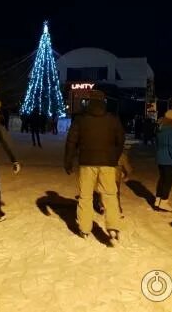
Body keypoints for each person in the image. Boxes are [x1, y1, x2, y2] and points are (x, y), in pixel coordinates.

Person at [64, 90, 125, 244]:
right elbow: (121, 140)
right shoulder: (113, 119)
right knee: (110, 195)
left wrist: (68, 160)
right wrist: (114, 157)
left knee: (85, 196)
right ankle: (113, 227)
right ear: (103, 101)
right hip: (108, 163)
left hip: (86, 162)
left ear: (89, 101)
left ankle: (85, 228)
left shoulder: (80, 119)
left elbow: (71, 141)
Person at [154, 109, 172, 212]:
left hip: (160, 158)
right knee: (168, 181)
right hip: (169, 160)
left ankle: (158, 200)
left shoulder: (161, 128)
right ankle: (164, 202)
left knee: (162, 179)